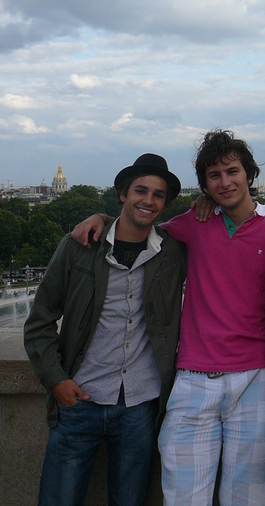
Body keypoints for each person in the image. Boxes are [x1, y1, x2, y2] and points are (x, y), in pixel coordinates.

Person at [71, 129, 265, 506]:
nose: (225, 182)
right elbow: (141, 229)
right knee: (185, 497)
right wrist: (102, 216)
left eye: (232, 171)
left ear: (249, 175)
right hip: (193, 378)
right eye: (214, 175)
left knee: (250, 496)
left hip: (256, 376)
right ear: (205, 185)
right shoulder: (194, 222)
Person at [24, 153, 186, 506]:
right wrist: (56, 379)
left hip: (140, 405)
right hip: (79, 398)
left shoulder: (173, 252)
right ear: (122, 195)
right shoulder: (77, 246)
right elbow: (39, 321)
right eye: (140, 191)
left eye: (158, 195)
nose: (149, 200)